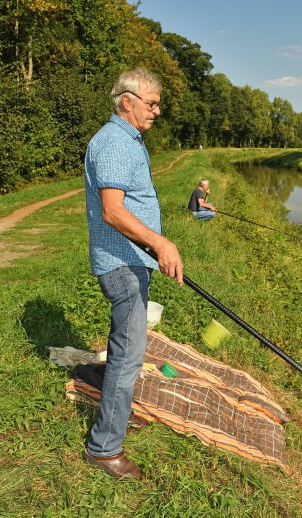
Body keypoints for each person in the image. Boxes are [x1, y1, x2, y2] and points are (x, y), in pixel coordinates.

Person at [83, 67, 183, 480]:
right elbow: (112, 210)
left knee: (125, 350)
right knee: (128, 357)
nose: (156, 110)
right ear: (128, 101)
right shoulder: (114, 143)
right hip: (123, 265)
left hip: (130, 262)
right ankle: (105, 448)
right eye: (152, 102)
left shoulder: (127, 141)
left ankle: (114, 410)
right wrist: (160, 243)